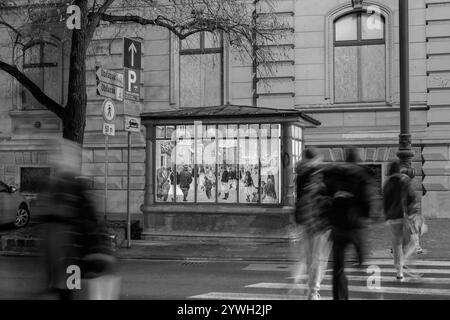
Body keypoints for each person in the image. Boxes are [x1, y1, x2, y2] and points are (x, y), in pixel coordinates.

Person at [321, 147, 372, 300]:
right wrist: (366, 215)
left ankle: (340, 297)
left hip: (337, 226)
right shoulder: (361, 175)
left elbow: (326, 199)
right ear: (357, 159)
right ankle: (361, 260)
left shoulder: (334, 175)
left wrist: (328, 219)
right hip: (354, 225)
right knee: (360, 252)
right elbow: (366, 201)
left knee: (338, 268)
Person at [291, 148, 331, 300]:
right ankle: (313, 291)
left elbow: (298, 198)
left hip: (304, 219)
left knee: (309, 256)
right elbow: (324, 195)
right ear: (315, 158)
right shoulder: (318, 173)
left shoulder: (300, 173)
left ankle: (309, 286)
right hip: (318, 220)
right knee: (318, 258)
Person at [383, 161, 423, 281]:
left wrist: (387, 217)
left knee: (397, 245)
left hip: (392, 218)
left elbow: (385, 201)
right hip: (405, 216)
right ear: (399, 170)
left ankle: (399, 272)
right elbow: (412, 197)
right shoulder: (405, 180)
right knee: (412, 241)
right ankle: (404, 260)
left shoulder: (387, 183)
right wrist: (414, 212)